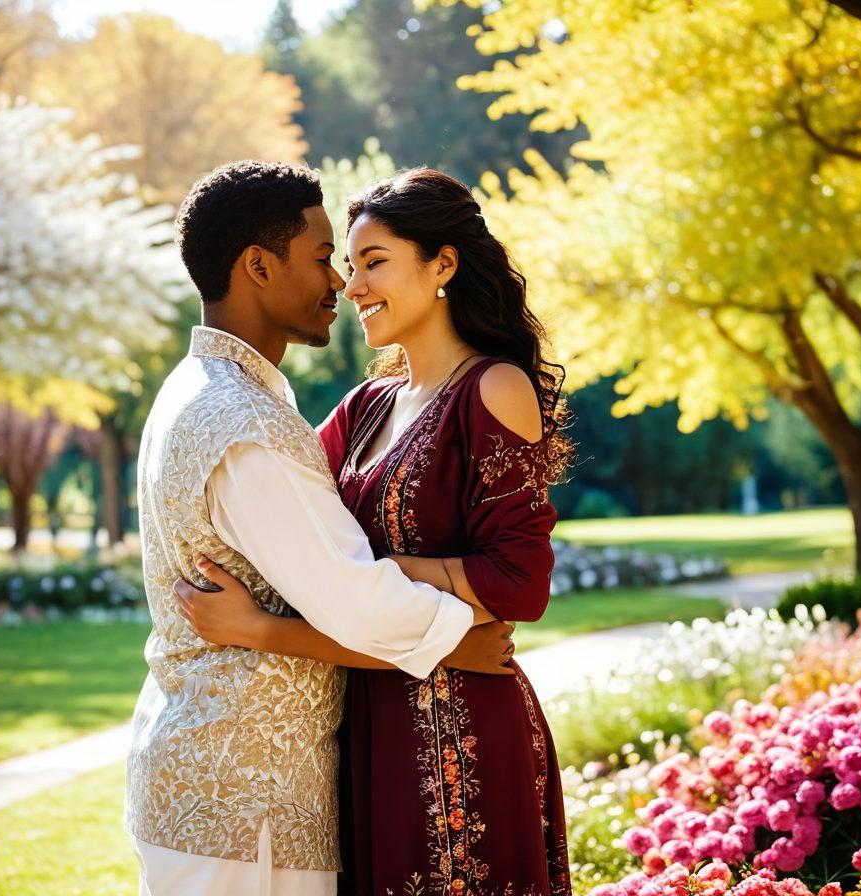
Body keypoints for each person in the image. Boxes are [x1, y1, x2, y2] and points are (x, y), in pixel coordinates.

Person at [177, 168, 575, 895]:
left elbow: (522, 584)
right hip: (369, 721)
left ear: (443, 265)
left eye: (374, 262)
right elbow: (301, 533)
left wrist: (397, 569)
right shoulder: (366, 405)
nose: (351, 286)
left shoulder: (493, 389)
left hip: (462, 723)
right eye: (348, 264)